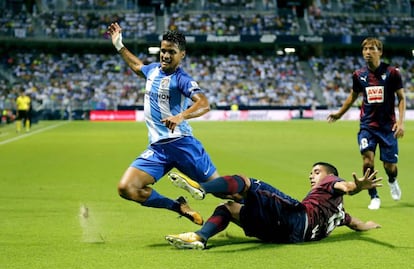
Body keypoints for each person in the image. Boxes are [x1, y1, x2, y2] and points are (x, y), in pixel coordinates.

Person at [106, 22, 220, 225]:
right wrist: (119, 45)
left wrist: (180, 116)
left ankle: (259, 214)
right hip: (158, 149)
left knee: (223, 190)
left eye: (172, 52)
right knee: (127, 188)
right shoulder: (152, 71)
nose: (165, 55)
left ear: (182, 55)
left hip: (182, 144)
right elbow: (136, 65)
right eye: (163, 51)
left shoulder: (182, 79)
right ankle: (178, 206)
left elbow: (204, 103)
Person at [165, 163, 382, 250]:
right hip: (282, 236)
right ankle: (200, 237)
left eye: (316, 172)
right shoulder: (341, 215)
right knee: (229, 207)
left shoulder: (330, 181)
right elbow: (356, 224)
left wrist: (357, 187)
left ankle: (202, 188)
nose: (311, 175)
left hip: (296, 217)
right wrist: (369, 226)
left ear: (329, 174)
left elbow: (346, 186)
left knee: (248, 182)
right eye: (311, 172)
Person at [327, 37, 406, 210]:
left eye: (371, 49)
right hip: (367, 127)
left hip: (388, 128)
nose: (367, 52)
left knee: (390, 166)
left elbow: (401, 98)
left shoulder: (392, 73)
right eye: (365, 49)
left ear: (380, 52)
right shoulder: (358, 75)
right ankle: (374, 196)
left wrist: (401, 123)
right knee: (367, 162)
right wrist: (339, 114)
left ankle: (392, 180)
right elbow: (353, 96)